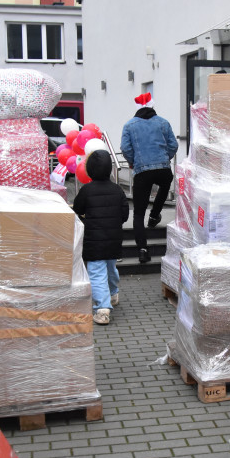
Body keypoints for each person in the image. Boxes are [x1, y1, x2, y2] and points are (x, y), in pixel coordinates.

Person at [73, 150, 129, 326]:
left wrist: (85, 219)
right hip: (113, 240)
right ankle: (113, 294)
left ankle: (102, 309)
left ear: (89, 170)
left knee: (96, 274)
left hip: (94, 241)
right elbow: (125, 214)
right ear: (109, 169)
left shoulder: (86, 190)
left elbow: (77, 208)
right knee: (111, 269)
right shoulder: (118, 190)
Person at [120, 92, 177, 264]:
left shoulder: (129, 125)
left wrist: (132, 162)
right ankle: (154, 215)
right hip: (162, 167)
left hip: (142, 171)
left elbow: (125, 147)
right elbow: (173, 145)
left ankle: (143, 250)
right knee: (166, 182)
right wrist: (165, 158)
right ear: (152, 106)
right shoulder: (163, 122)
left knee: (138, 213)